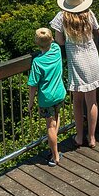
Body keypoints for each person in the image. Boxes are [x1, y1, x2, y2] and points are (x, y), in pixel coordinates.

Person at [50, 0, 99, 148]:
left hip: (76, 59)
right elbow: (96, 32)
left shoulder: (62, 18)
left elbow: (59, 41)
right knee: (92, 100)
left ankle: (80, 136)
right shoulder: (89, 14)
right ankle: (92, 137)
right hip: (92, 57)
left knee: (78, 102)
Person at [27, 28, 67, 167]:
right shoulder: (56, 49)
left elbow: (33, 85)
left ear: (37, 44)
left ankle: (55, 156)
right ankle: (54, 145)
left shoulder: (37, 62)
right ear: (51, 40)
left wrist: (30, 103)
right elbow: (55, 41)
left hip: (46, 98)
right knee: (57, 117)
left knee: (50, 126)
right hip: (60, 93)